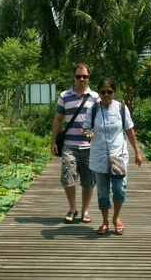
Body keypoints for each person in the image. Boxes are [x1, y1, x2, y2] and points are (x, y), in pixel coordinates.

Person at [82, 78, 143, 235]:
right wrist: (89, 133)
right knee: (102, 192)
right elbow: (86, 129)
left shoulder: (121, 108)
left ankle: (116, 217)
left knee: (119, 189)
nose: (106, 95)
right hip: (99, 156)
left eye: (109, 92)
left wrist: (137, 151)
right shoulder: (93, 109)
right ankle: (104, 221)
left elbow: (129, 130)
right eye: (103, 92)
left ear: (114, 92)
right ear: (99, 93)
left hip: (118, 156)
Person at [51, 63, 99, 224]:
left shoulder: (95, 97)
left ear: (89, 77)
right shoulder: (64, 96)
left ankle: (85, 210)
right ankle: (73, 208)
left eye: (85, 76)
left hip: (89, 146)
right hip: (69, 145)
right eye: (79, 76)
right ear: (74, 77)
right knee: (67, 177)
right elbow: (58, 119)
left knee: (89, 180)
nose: (82, 79)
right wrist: (53, 142)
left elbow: (100, 120)